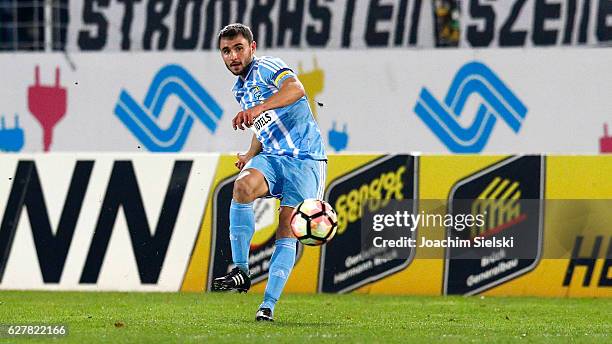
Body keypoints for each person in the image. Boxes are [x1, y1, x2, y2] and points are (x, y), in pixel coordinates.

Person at [211, 23, 327, 322]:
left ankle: (268, 305)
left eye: (239, 48)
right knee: (242, 187)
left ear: (253, 47)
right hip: (273, 157)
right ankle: (241, 271)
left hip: (305, 159)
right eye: (226, 51)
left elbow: (296, 89)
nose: (233, 56)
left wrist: (259, 107)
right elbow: (266, 125)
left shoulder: (268, 67)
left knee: (286, 228)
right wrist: (251, 154)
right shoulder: (240, 89)